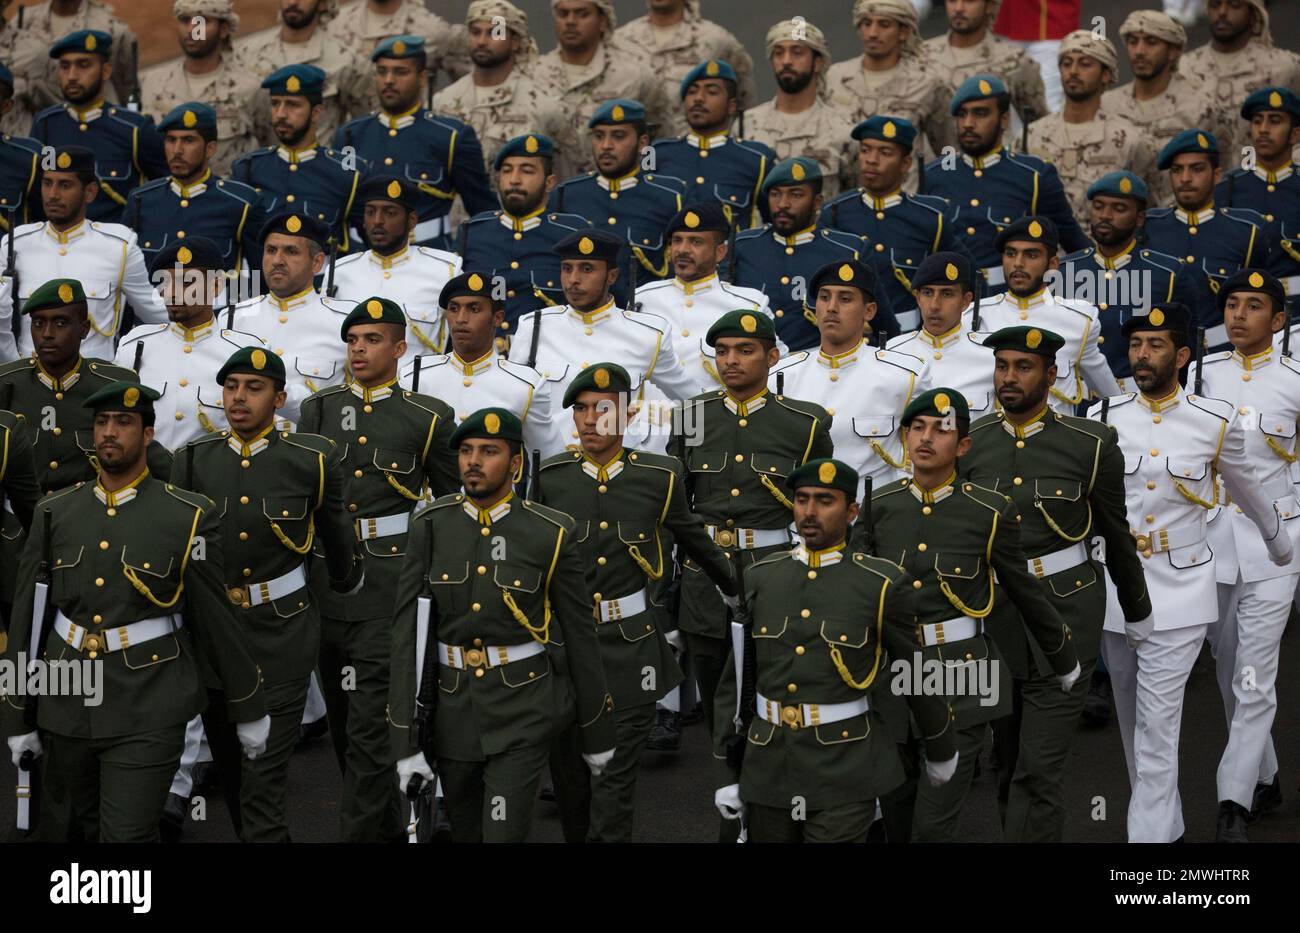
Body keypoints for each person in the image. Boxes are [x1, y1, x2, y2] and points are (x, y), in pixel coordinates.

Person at [1, 378, 270, 843]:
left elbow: (215, 622)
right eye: (102, 422)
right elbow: (27, 618)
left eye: (123, 422)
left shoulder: (189, 516)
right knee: (72, 830)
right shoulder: (55, 512)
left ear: (147, 434)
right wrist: (18, 714)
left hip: (150, 700)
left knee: (126, 835)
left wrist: (248, 707)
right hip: (66, 697)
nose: (109, 432)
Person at [1093, 302, 1291, 843]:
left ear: (1181, 355)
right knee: (1133, 716)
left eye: (1155, 345)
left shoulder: (1213, 420)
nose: (1142, 354)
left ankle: (1149, 842)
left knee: (1158, 721)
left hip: (1182, 585)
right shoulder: (1101, 418)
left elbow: (1249, 491)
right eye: (1135, 344)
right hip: (1117, 586)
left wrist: (1280, 547)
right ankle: (1163, 821)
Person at [388, 406, 617, 843]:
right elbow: (407, 638)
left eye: (488, 451)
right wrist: (406, 743)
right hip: (452, 711)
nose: (473, 461)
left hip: (523, 709)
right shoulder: (431, 525)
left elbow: (578, 637)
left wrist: (596, 732)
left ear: (514, 464)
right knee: (466, 831)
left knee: (503, 833)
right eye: (467, 451)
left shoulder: (549, 532)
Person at [963, 326, 1152, 842]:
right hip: (995, 620)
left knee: (1038, 769)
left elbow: (1117, 537)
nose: (1008, 377)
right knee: (1006, 763)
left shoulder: (1091, 445)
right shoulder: (971, 445)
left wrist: (1139, 615)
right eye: (1002, 366)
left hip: (1066, 618)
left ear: (1052, 374)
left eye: (1022, 367)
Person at [868, 386, 1080, 843]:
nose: (926, 438)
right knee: (899, 817)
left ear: (963, 446)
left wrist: (1063, 659)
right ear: (904, 437)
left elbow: (1024, 592)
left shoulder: (989, 511)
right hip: (892, 677)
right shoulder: (878, 507)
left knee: (933, 826)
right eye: (917, 428)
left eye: (942, 431)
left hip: (962, 675)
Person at [712, 456, 959, 843]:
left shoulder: (881, 584)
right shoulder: (761, 576)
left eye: (825, 501)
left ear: (852, 511)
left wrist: (941, 746)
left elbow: (914, 671)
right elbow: (737, 682)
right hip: (768, 764)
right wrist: (729, 772)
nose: (809, 511)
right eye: (802, 499)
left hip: (845, 765)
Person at [170, 347, 360, 843]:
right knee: (232, 770)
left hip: (282, 635)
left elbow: (338, 542)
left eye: (254, 388)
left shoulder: (310, 461)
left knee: (263, 776)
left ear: (279, 398)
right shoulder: (191, 462)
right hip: (214, 638)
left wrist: (342, 584)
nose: (239, 397)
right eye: (231, 386)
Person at [540, 362, 735, 843]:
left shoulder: (659, 475)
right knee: (571, 781)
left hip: (630, 651)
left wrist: (737, 591)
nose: (590, 420)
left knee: (614, 783)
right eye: (581, 410)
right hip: (564, 650)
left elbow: (695, 541)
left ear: (627, 416)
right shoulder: (550, 478)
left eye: (602, 410)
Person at [297, 297, 458, 842]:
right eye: (352, 340)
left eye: (371, 339)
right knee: (346, 726)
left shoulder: (427, 416)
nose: (358, 349)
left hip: (391, 584)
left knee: (369, 725)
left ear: (399, 347)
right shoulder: (316, 411)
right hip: (327, 578)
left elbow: (453, 504)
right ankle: (393, 820)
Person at [668, 308, 833, 745]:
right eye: (722, 352)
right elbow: (675, 509)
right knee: (710, 678)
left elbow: (820, 510)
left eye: (745, 350)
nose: (731, 361)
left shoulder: (806, 423)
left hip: (772, 567)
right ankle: (726, 774)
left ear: (773, 356)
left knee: (772, 676)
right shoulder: (691, 415)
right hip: (705, 572)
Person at [1188, 270, 1300, 841]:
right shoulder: (1200, 375)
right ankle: (1267, 775)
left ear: (1278, 320)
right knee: (1230, 666)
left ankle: (1233, 802)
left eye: (1254, 306)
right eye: (1231, 304)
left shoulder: (1295, 379)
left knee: (1254, 675)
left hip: (1275, 544)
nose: (1238, 315)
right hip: (1213, 540)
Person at [507, 229, 697, 450]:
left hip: (619, 475)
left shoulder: (647, 334)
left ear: (612, 276)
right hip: (548, 473)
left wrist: (679, 457)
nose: (573, 280)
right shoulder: (534, 327)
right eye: (567, 269)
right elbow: (512, 405)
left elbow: (693, 401)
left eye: (586, 269)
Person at [0, 145, 166, 361]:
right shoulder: (16, 244)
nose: (53, 194)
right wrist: (14, 365)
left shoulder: (118, 247)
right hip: (30, 382)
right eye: (47, 183)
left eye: (65, 185)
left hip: (93, 384)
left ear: (90, 192)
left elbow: (157, 313)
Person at [924, 75, 1088, 291]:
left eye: (980, 113)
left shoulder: (1033, 176)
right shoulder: (935, 175)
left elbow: (1075, 246)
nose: (968, 124)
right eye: (962, 115)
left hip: (1013, 299)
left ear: (1004, 120)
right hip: (951, 302)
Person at [773, 260, 923, 496]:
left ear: (869, 311)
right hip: (801, 520)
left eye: (845, 299)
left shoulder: (904, 375)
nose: (831, 307)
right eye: (824, 298)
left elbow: (918, 458)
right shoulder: (782, 375)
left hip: (873, 515)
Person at [334, 35, 493, 250]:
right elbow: (339, 203)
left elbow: (482, 212)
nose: (389, 80)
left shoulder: (450, 137)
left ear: (422, 78)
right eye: (382, 72)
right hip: (360, 257)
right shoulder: (350, 137)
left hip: (426, 255)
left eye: (400, 72)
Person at [114, 237, 266, 450]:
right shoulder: (134, 346)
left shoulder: (242, 352)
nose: (172, 292)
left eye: (186, 282)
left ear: (216, 286)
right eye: (166, 282)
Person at [819, 116, 969, 329]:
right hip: (851, 336)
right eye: (865, 150)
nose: (871, 159)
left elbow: (965, 275)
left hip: (912, 335)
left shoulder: (928, 217)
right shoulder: (834, 213)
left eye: (885, 153)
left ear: (906, 163)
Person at [1059, 171, 1203, 382]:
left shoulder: (1168, 275)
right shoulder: (1064, 271)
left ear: (1139, 218)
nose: (1105, 215)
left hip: (1137, 399)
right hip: (1072, 400)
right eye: (1099, 206)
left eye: (1119, 208)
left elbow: (1188, 352)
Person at [970, 216, 1120, 412]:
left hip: (1055, 440)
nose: (1018, 263)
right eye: (1011, 253)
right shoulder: (973, 316)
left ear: (1053, 264)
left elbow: (1113, 398)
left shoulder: (1078, 320)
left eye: (1031, 255)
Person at [398, 271, 556, 456]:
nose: (461, 319)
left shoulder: (527, 384)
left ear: (497, 318)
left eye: (474, 309)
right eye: (454, 309)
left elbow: (547, 459)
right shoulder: (413, 377)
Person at [459, 133, 592, 333]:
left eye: (527, 171)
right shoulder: (472, 232)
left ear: (549, 183)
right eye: (506, 171)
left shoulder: (572, 234)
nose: (514, 180)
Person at [31, 29, 166, 225]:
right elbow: (36, 192)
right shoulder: (46, 125)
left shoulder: (133, 129)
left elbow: (164, 191)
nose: (72, 76)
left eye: (83, 65)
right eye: (65, 66)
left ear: (105, 71)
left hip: (115, 248)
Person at [1144, 129, 1270, 341]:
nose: (1185, 178)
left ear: (1217, 175)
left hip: (1222, 354)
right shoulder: (1147, 228)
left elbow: (1261, 299)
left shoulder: (1246, 231)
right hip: (1158, 356)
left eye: (1197, 169)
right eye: (1177, 170)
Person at [550, 99, 685, 293]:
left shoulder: (669, 196)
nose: (606, 145)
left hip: (644, 314)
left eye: (618, 136)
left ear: (642, 143)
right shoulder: (567, 195)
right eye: (598, 136)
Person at [634, 202, 770, 395]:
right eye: (677, 240)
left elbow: (774, 368)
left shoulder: (749, 305)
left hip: (716, 419)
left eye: (696, 242)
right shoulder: (642, 298)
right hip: (652, 418)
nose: (683, 249)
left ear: (720, 252)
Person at [733, 157, 867, 351]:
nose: (783, 204)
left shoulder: (847, 250)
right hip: (755, 365)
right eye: (775, 194)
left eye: (796, 195)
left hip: (819, 366)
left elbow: (881, 324)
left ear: (817, 201)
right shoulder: (742, 246)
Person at [1026, 30, 1158, 226]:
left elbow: (1152, 209)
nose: (1073, 71)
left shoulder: (1131, 140)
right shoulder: (1031, 135)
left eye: (1085, 64)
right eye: (1066, 63)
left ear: (1106, 75)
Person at [432, 0, 576, 180]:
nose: (482, 41)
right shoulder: (444, 101)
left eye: (494, 32)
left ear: (515, 42)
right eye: (476, 32)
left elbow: (567, 178)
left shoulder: (544, 106)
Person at [232, 65, 365, 255]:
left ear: (317, 112)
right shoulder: (248, 169)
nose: (280, 114)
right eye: (275, 104)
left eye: (292, 105)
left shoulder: (347, 172)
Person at [1101, 10, 1229, 208]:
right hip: (1119, 226)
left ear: (1174, 51)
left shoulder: (1202, 108)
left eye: (1151, 42)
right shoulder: (1106, 105)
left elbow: (1224, 174)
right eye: (1133, 41)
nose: (1139, 51)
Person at [330, 175, 462, 366]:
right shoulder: (340, 272)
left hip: (417, 390)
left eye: (390, 213)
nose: (377, 221)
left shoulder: (445, 271)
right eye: (370, 212)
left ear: (412, 220)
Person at [123, 102, 265, 275]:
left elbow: (258, 274)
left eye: (188, 140)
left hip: (215, 301)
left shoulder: (241, 202)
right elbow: (126, 273)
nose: (177, 150)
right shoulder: (141, 200)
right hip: (154, 300)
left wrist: (237, 301)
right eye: (171, 140)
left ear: (210, 148)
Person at [533, 0, 672, 173]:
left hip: (617, 192)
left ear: (603, 21)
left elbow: (660, 138)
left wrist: (647, 181)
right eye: (563, 14)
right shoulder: (534, 74)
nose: (570, 21)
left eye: (582, 14)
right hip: (553, 192)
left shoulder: (635, 75)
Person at [231, 211, 351, 408]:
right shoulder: (234, 318)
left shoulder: (343, 321)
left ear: (317, 263)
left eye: (291, 251)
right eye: (271, 250)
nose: (277, 260)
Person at [825, 0, 951, 178]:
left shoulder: (927, 83)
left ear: (903, 32)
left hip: (903, 198)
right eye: (867, 24)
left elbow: (948, 146)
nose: (873, 33)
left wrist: (951, 186)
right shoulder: (834, 77)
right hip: (846, 198)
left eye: (884, 25)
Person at [648, 59, 777, 230]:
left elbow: (775, 222)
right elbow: (637, 205)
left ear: (732, 106)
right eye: (692, 92)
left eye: (712, 92)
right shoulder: (653, 152)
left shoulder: (758, 159)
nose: (699, 99)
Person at [139, 0, 260, 176]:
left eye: (202, 21)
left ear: (224, 30)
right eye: (185, 20)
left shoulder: (249, 87)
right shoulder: (153, 83)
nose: (191, 30)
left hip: (228, 198)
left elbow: (270, 148)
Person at [742, 18, 856, 200]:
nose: (786, 61)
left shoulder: (843, 129)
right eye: (778, 53)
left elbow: (854, 198)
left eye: (797, 53)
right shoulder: (746, 125)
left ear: (817, 62)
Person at [614, 0, 754, 137]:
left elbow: (743, 101)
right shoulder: (621, 41)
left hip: (697, 150)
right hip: (642, 154)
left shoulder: (715, 40)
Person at [1180, 0, 1300, 158]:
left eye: (1234, 5)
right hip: (1195, 177)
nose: (1222, 12)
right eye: (1215, 5)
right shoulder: (1183, 68)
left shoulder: (1285, 67)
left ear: (1253, 13)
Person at [923, 0, 1047, 150]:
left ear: (989, 6)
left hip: (995, 167)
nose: (959, 8)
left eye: (970, 1)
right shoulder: (921, 56)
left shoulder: (1014, 60)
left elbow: (1040, 126)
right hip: (937, 167)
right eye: (952, 1)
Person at [887, 252, 996, 420]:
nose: (935, 305)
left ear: (966, 301)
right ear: (917, 298)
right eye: (928, 293)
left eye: (947, 294)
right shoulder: (890, 354)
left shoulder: (992, 355)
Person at [242, 0, 361, 149]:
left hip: (321, 165)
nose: (292, 2)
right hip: (266, 164)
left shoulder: (345, 58)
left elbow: (362, 122)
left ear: (323, 4)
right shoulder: (247, 54)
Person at [330, 0, 470, 116]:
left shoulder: (431, 29)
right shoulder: (336, 25)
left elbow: (472, 81)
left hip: (412, 133)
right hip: (352, 137)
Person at [4, 0, 137, 113]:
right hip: (41, 122)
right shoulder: (23, 20)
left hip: (94, 120)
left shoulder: (111, 29)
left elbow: (126, 86)